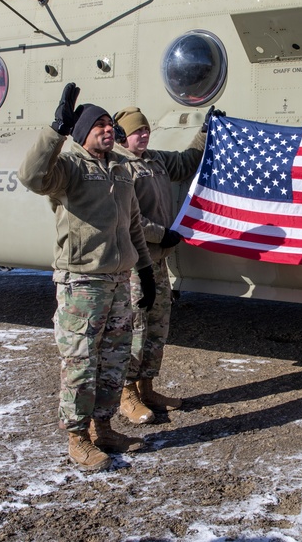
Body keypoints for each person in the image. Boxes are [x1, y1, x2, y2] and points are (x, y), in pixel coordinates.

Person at [17, 82, 157, 473]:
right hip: (82, 283)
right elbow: (30, 176)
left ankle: (104, 428)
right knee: (80, 362)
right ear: (81, 133)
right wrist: (55, 130)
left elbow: (132, 227)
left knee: (113, 360)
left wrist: (144, 270)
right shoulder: (69, 168)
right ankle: (77, 438)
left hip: (118, 282)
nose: (108, 129)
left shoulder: (122, 170)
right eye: (98, 125)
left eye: (110, 124)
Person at [112, 106, 213, 424]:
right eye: (136, 131)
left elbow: (185, 162)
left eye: (145, 130)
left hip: (157, 262)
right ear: (122, 136)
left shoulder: (155, 159)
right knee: (135, 328)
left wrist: (206, 132)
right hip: (135, 263)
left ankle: (147, 387)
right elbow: (126, 219)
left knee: (157, 328)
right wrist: (162, 235)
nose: (143, 135)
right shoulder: (117, 167)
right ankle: (126, 393)